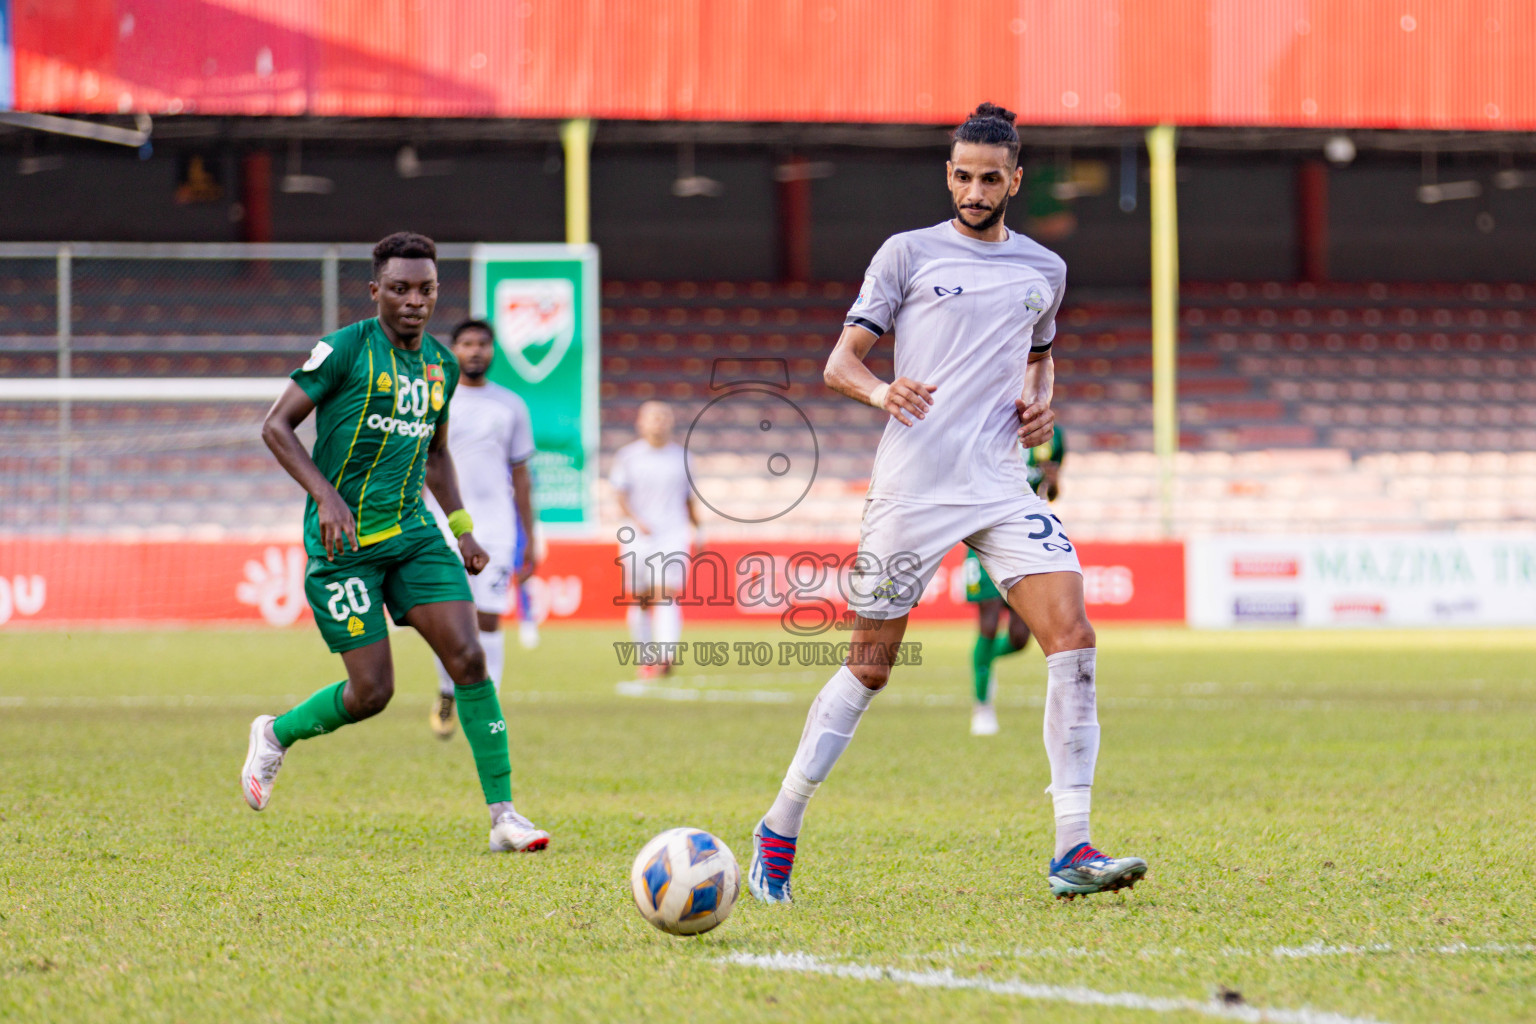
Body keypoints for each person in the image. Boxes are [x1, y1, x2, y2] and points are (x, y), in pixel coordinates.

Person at [746, 104, 1145, 904]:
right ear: (950, 174)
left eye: (989, 178)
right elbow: (838, 365)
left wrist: (1042, 406)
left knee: (1074, 638)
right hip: (913, 487)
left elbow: (1040, 360)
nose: (973, 189)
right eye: (962, 175)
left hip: (1000, 482)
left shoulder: (1044, 270)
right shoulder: (907, 254)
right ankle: (779, 825)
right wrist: (882, 388)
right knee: (871, 667)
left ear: (1015, 181)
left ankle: (1073, 846)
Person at [241, 232, 550, 854]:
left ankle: (504, 816)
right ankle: (276, 734)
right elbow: (276, 426)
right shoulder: (345, 349)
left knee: (470, 658)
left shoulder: (440, 365)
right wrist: (327, 497)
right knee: (371, 693)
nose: (415, 300)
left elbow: (436, 457)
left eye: (426, 289)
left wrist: (462, 531)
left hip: (414, 536)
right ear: (375, 290)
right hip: (345, 545)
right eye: (402, 289)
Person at [423, 318, 539, 740]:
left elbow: (522, 476)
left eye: (483, 344)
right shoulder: (437, 400)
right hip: (441, 524)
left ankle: (490, 705)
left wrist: (530, 537)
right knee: (448, 619)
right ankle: (446, 691)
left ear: (493, 351)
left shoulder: (510, 405)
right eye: (467, 343)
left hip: (496, 526)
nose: (475, 351)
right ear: (453, 350)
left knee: (488, 618)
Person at [965, 423, 1067, 736]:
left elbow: (1051, 492)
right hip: (984, 537)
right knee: (989, 622)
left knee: (1021, 637)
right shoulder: (983, 428)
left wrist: (1051, 480)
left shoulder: (1051, 434)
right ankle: (982, 707)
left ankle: (983, 663)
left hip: (1025, 541)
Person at [610, 401, 698, 677]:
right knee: (641, 599)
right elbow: (619, 494)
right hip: (637, 537)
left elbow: (689, 499)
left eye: (663, 417)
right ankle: (645, 656)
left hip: (671, 534)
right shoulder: (628, 457)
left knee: (666, 593)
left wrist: (699, 529)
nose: (658, 422)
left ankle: (666, 656)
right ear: (641, 422)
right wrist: (636, 521)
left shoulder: (684, 458)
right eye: (653, 418)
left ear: (671, 422)